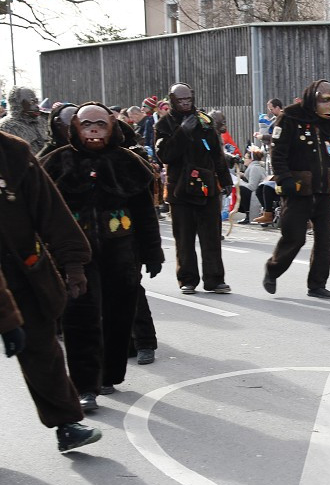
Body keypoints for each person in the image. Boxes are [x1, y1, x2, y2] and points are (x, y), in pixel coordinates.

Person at [41, 103, 163, 409]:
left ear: (112, 127)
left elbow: (145, 214)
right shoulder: (56, 163)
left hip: (121, 254)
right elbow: (41, 215)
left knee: (118, 316)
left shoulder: (129, 162)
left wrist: (152, 252)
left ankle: (108, 374)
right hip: (74, 257)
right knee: (80, 318)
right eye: (86, 125)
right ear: (74, 129)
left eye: (100, 124)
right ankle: (85, 386)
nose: (93, 130)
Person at [0, 129, 102, 451]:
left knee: (43, 352)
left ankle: (67, 424)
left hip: (23, 275)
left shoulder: (13, 153)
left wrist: (73, 265)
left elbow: (52, 212)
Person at [263, 79, 330, 299]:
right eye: (326, 100)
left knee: (324, 239)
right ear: (314, 98)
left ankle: (317, 284)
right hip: (298, 190)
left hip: (323, 189)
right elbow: (277, 152)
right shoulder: (290, 117)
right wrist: (284, 178)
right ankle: (273, 269)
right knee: (295, 237)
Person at [154, 83, 233, 294]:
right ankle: (187, 279)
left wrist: (225, 180)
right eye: (180, 100)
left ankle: (215, 279)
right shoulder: (164, 124)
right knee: (184, 238)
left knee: (212, 237)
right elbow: (165, 155)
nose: (185, 103)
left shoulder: (205, 120)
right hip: (180, 189)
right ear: (172, 100)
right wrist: (182, 132)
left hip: (207, 186)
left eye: (188, 99)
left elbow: (216, 152)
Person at [0, 87, 48, 154]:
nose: (37, 106)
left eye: (36, 101)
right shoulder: (6, 127)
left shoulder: (43, 121)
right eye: (32, 102)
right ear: (18, 104)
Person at [237, 147, 267, 224]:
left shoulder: (254, 168)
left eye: (246, 158)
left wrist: (239, 182)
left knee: (241, 189)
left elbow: (252, 187)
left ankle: (248, 215)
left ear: (251, 159)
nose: (244, 159)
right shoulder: (255, 167)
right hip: (258, 191)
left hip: (257, 194)